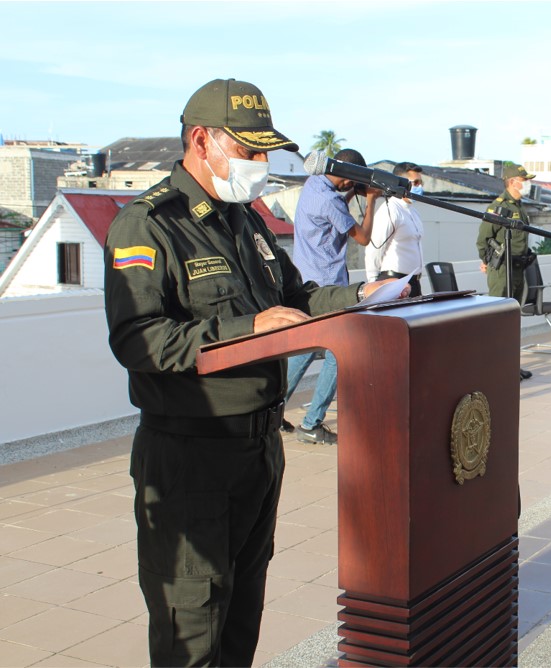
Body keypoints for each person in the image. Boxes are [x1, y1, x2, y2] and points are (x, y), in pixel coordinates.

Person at [102, 79, 405, 667]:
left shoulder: (247, 221)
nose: (261, 165)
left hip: (259, 450)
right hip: (192, 455)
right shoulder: (151, 225)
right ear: (201, 140)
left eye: (265, 152)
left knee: (242, 617)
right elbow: (137, 340)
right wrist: (249, 329)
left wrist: (364, 294)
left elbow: (296, 298)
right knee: (193, 626)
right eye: (249, 150)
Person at [283, 147, 380, 445]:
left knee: (304, 350)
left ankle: (269, 411)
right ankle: (312, 423)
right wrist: (373, 199)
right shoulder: (328, 200)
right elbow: (363, 238)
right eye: (352, 180)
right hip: (328, 287)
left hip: (308, 284)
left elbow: (336, 203)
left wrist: (351, 192)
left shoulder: (314, 185)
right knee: (339, 354)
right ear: (347, 176)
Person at [477, 163, 536, 380]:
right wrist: (487, 261)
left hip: (518, 268)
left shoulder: (519, 207)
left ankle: (511, 365)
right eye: (524, 180)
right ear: (513, 181)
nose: (527, 184)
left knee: (512, 319)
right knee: (498, 320)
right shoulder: (499, 207)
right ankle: (496, 367)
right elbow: (483, 239)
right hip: (502, 269)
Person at [365, 161, 425, 296]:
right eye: (415, 183)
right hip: (394, 281)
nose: (419, 186)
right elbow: (375, 248)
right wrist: (373, 282)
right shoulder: (390, 210)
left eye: (421, 183)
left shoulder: (413, 212)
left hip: (414, 282)